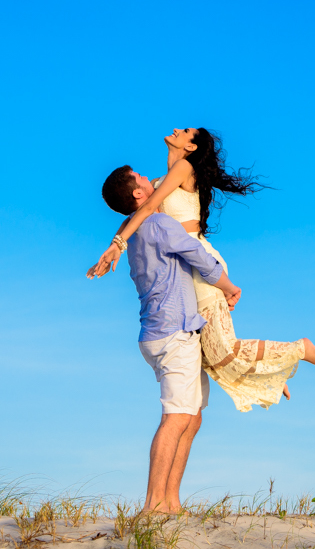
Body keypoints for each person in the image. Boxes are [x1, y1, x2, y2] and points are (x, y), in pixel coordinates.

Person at [89, 128, 315, 412]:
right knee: (206, 354)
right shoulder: (158, 182)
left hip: (199, 260)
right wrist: (115, 244)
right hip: (185, 270)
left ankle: (299, 349)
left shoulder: (183, 168)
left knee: (222, 350)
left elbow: (147, 209)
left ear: (191, 147)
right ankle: (269, 372)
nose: (177, 130)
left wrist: (117, 245)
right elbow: (137, 213)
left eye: (185, 132)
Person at [99, 164, 243, 514]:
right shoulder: (159, 224)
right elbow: (198, 257)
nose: (147, 177)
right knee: (176, 418)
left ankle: (171, 503)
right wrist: (229, 287)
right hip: (173, 333)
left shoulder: (133, 231)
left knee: (192, 417)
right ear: (138, 193)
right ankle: (153, 506)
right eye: (140, 177)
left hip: (163, 333)